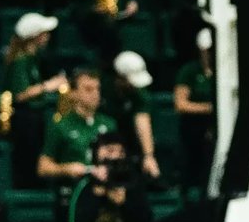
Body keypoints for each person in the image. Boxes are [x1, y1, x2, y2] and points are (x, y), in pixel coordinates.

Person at [37, 68, 117, 208]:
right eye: (88, 89)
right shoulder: (61, 126)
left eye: (97, 89)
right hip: (74, 193)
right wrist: (67, 169)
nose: (95, 94)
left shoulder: (109, 124)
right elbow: (43, 167)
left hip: (104, 192)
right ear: (73, 93)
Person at [5, 13, 66, 187]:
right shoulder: (20, 61)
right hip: (24, 119)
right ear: (34, 36)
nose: (47, 37)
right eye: (44, 33)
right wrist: (48, 86)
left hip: (34, 116)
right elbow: (20, 94)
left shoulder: (33, 59)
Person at [102, 51, 160, 179]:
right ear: (120, 77)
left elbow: (142, 121)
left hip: (131, 143)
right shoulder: (103, 88)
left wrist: (148, 156)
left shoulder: (141, 95)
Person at [173, 28, 215, 192]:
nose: (210, 54)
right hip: (192, 133)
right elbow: (181, 104)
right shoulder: (189, 71)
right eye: (207, 50)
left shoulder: (224, 71)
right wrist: (209, 109)